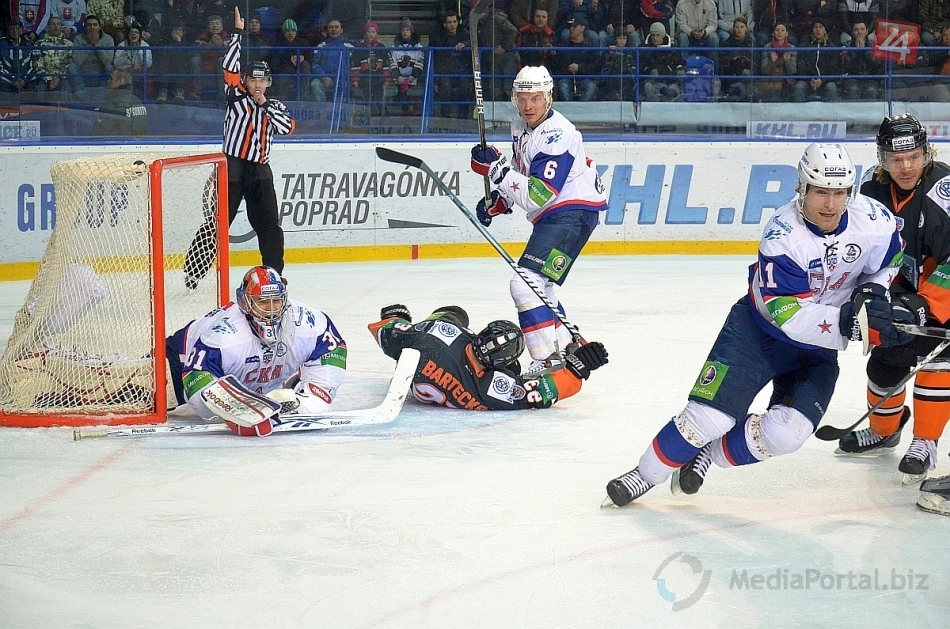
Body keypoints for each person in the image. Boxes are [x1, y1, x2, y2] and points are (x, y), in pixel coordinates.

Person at [604, 143, 908, 507]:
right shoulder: (783, 235)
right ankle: (644, 475)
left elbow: (889, 261)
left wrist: (872, 295)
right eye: (820, 192)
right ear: (801, 187)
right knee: (708, 418)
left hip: (817, 350)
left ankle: (708, 454)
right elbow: (789, 316)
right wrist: (851, 322)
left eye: (839, 193)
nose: (830, 204)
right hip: (757, 334)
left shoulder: (873, 220)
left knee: (788, 434)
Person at [835, 115, 950, 487]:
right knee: (886, 362)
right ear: (882, 158)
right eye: (896, 159)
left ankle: (925, 442)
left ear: (926, 153)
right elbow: (863, 251)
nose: (906, 166)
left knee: (937, 363)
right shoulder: (872, 191)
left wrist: (925, 304)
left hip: (942, 295)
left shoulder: (943, 190)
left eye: (913, 157)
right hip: (903, 291)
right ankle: (884, 432)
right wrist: (869, 294)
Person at [470, 66, 608, 364]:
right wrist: (502, 199)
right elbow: (523, 173)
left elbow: (539, 194)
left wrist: (496, 171)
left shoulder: (557, 134)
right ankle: (569, 346)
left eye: (535, 98)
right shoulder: (520, 127)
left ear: (548, 98)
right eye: (522, 99)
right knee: (541, 286)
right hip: (562, 215)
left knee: (525, 284)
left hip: (571, 214)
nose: (528, 106)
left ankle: (546, 361)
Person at [183, 7, 295, 289]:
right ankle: (193, 271)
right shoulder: (235, 96)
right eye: (252, 79)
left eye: (261, 80)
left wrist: (264, 105)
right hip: (232, 166)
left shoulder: (274, 106)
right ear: (245, 80)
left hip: (259, 170)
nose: (257, 84)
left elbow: (287, 128)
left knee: (269, 225)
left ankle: (274, 273)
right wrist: (237, 34)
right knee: (219, 221)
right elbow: (229, 68)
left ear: (268, 82)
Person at [166, 266, 347, 437]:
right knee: (149, 399)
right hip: (177, 362)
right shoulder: (224, 337)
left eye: (276, 300)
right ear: (245, 302)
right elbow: (195, 379)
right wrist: (233, 413)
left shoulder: (309, 321)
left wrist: (307, 403)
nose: (271, 309)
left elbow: (333, 351)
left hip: (250, 375)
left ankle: (290, 387)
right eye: (262, 301)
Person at [368, 304, 608, 411]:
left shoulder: (440, 332)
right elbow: (541, 392)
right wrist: (578, 369)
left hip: (421, 359)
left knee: (454, 313)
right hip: (432, 383)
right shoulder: (485, 387)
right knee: (515, 371)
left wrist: (394, 319)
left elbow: (382, 331)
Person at [35, 15, 85, 98]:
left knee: (65, 87)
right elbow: (37, 65)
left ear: (61, 27)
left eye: (58, 24)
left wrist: (58, 78)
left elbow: (69, 64)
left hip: (62, 78)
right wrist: (49, 80)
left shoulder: (69, 44)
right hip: (44, 78)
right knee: (40, 89)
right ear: (48, 27)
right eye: (53, 24)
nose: (56, 26)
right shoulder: (39, 44)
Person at [551, 17, 599, 102]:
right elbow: (556, 65)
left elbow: (595, 65)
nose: (571, 29)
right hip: (566, 77)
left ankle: (583, 108)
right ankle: (570, 108)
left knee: (591, 87)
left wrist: (579, 67)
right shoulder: (563, 45)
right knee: (563, 87)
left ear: (582, 28)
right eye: (570, 26)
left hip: (584, 78)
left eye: (574, 26)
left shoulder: (590, 45)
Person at [90, 67, 147, 135]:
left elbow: (98, 133)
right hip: (138, 140)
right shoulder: (138, 102)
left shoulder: (112, 104)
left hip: (118, 140)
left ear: (121, 81)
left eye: (111, 78)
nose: (108, 81)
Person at [795, 18, 840, 102]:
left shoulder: (832, 47)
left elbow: (834, 69)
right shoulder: (804, 46)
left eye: (821, 27)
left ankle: (833, 110)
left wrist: (822, 80)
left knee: (831, 87)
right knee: (799, 86)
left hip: (826, 81)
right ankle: (799, 110)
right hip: (808, 81)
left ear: (825, 30)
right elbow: (800, 67)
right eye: (815, 27)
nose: (818, 29)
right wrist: (810, 80)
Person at [640, 22, 685, 102]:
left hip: (670, 80)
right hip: (652, 81)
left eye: (658, 35)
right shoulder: (644, 48)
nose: (655, 38)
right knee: (648, 87)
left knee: (674, 90)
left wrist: (680, 69)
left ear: (663, 36)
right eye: (653, 35)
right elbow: (642, 64)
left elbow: (679, 61)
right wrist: (650, 70)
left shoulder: (672, 48)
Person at [268, 19, 311, 101]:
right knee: (281, 80)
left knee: (305, 64)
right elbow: (275, 66)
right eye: (288, 31)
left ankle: (303, 99)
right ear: (284, 32)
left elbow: (310, 60)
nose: (290, 33)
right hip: (285, 74)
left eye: (293, 31)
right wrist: (291, 64)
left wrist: (303, 59)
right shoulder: (277, 46)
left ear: (296, 32)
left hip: (302, 73)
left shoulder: (304, 43)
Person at [758, 21, 796, 102]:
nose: (779, 32)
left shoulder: (792, 48)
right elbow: (764, 71)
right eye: (777, 30)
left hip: (785, 80)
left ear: (786, 34)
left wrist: (787, 61)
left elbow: (792, 71)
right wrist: (771, 62)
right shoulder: (767, 47)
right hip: (770, 79)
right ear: (773, 33)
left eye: (782, 30)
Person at [72, 14, 114, 88]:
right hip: (83, 74)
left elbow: (108, 62)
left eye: (95, 25)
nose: (92, 28)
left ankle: (102, 92)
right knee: (72, 67)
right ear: (85, 27)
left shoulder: (108, 39)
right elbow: (76, 61)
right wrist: (89, 45)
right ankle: (80, 92)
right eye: (89, 25)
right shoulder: (78, 39)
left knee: (110, 68)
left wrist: (97, 46)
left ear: (100, 27)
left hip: (101, 74)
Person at [0, 19, 41, 94]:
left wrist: (24, 80)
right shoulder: (2, 44)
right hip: (7, 80)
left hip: (26, 79)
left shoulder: (28, 43)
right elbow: (2, 65)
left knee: (38, 85)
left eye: (17, 28)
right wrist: (13, 80)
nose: (15, 31)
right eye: (12, 29)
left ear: (21, 30)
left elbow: (32, 64)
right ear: (8, 32)